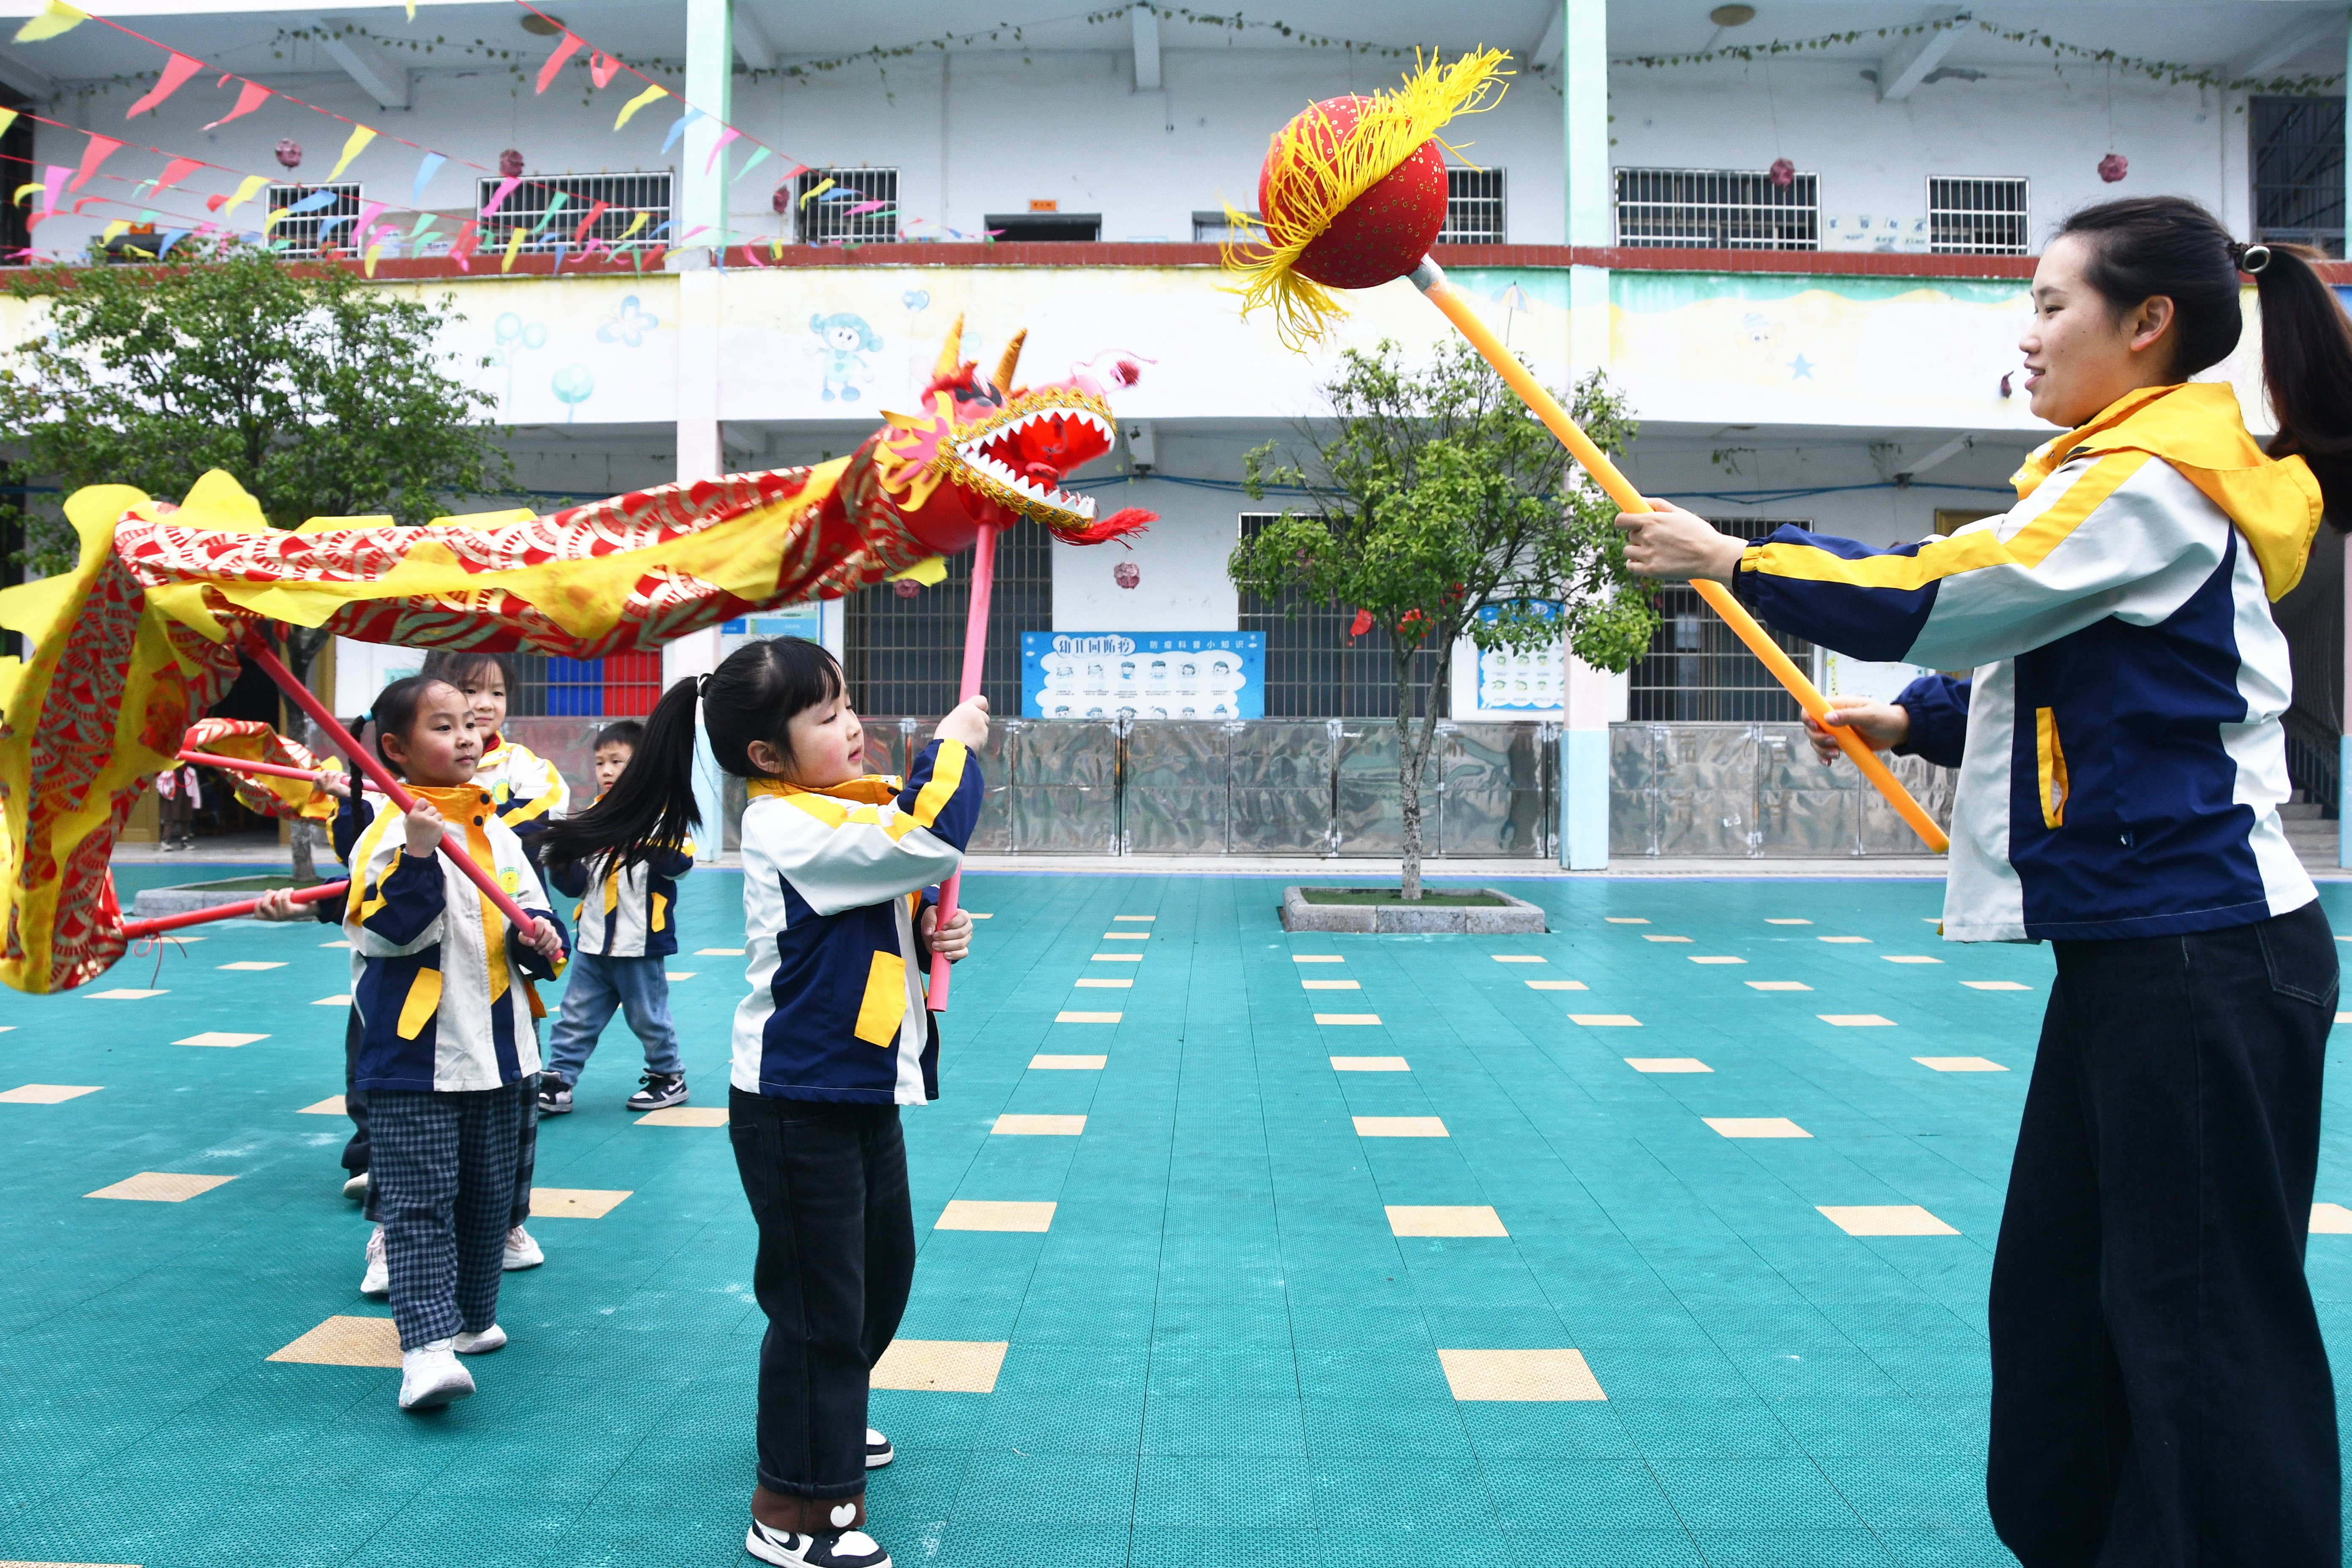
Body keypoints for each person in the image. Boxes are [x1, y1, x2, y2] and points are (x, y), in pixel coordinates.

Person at [1614, 196, 2346, 1566]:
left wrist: (1732, 556)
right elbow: (2060, 661)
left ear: (2144, 328)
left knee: (2196, 1325)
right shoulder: (2114, 476)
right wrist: (1914, 722)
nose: (2022, 335)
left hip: (2202, 954)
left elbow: (1939, 587)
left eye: (2046, 304)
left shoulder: (2146, 483)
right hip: (2139, 956)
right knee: (2061, 1304)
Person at [538, 639, 981, 1568]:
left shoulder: (836, 813)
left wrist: (929, 922)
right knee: (821, 1304)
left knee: (879, 1274)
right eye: (827, 715)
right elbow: (929, 833)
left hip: (854, 1084)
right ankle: (797, 1508)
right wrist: (953, 747)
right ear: (767, 756)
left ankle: (827, 1415)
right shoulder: (788, 825)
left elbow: (893, 878)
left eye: (848, 702)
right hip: (796, 1098)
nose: (853, 723)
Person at [337, 673, 568, 1411]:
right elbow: (387, 932)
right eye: (444, 726)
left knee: (491, 1199)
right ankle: (424, 1349)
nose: (466, 737)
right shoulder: (383, 833)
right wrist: (415, 854)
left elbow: (533, 924)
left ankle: (469, 1320)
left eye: (471, 723)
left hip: (503, 1053)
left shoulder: (496, 831)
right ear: (396, 749)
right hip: (417, 1060)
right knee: (419, 1203)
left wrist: (542, 937)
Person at [416, 651, 570, 1274]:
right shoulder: (394, 811)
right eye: (458, 702)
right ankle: (393, 1233)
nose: (480, 710)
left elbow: (537, 839)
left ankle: (507, 1222)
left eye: (494, 694)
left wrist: (544, 940)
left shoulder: (514, 788)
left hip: (502, 997)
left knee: (509, 1113)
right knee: (418, 1128)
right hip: (424, 1008)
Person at [538, 719, 695, 1115]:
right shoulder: (591, 817)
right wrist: (562, 858)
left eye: (617, 762)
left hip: (639, 944)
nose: (606, 771)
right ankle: (559, 1080)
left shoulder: (664, 817)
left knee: (648, 1017)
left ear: (644, 767)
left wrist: (638, 835)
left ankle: (668, 1076)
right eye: (600, 763)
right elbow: (575, 886)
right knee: (575, 1016)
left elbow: (680, 864)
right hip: (593, 943)